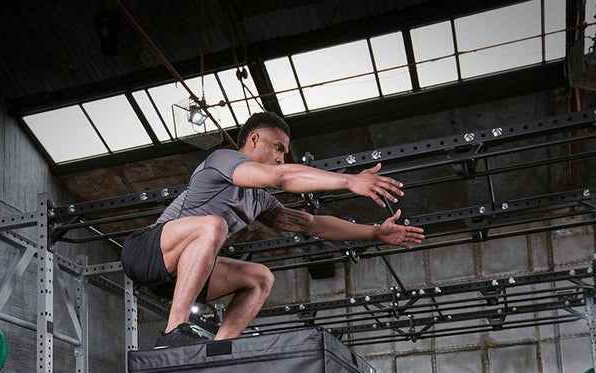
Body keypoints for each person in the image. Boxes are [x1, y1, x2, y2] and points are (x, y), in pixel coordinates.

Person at [120, 110, 425, 346]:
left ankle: (219, 352)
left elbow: (313, 225)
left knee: (260, 277)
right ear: (253, 139)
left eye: (284, 153)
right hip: (147, 251)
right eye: (278, 148)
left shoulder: (259, 200)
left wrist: (374, 233)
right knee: (214, 226)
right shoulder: (223, 159)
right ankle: (174, 332)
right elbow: (281, 178)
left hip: (178, 277)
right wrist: (348, 180)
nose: (281, 158)